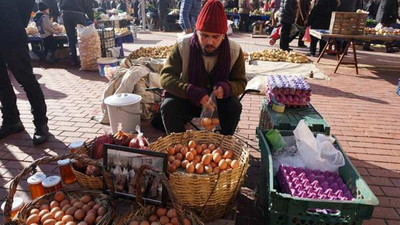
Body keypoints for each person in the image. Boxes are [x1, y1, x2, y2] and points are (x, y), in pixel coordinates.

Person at [160, 0, 247, 135]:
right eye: (204, 35)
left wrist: (227, 88)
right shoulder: (183, 45)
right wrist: (190, 91)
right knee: (169, 106)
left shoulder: (234, 50)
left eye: (215, 37)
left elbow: (240, 82)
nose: (210, 41)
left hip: (218, 103)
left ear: (224, 36)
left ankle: (223, 144)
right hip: (190, 100)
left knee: (234, 106)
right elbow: (166, 77)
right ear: (197, 31)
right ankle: (179, 146)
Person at [0, 0, 50, 145]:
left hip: (12, 34)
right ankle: (11, 120)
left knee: (26, 80)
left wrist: (16, 20)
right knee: (1, 82)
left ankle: (41, 124)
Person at [60, 0, 95, 66]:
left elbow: (60, 3)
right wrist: (92, 18)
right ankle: (85, 59)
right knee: (83, 36)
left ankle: (73, 60)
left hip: (66, 14)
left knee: (70, 37)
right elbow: (87, 5)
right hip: (78, 14)